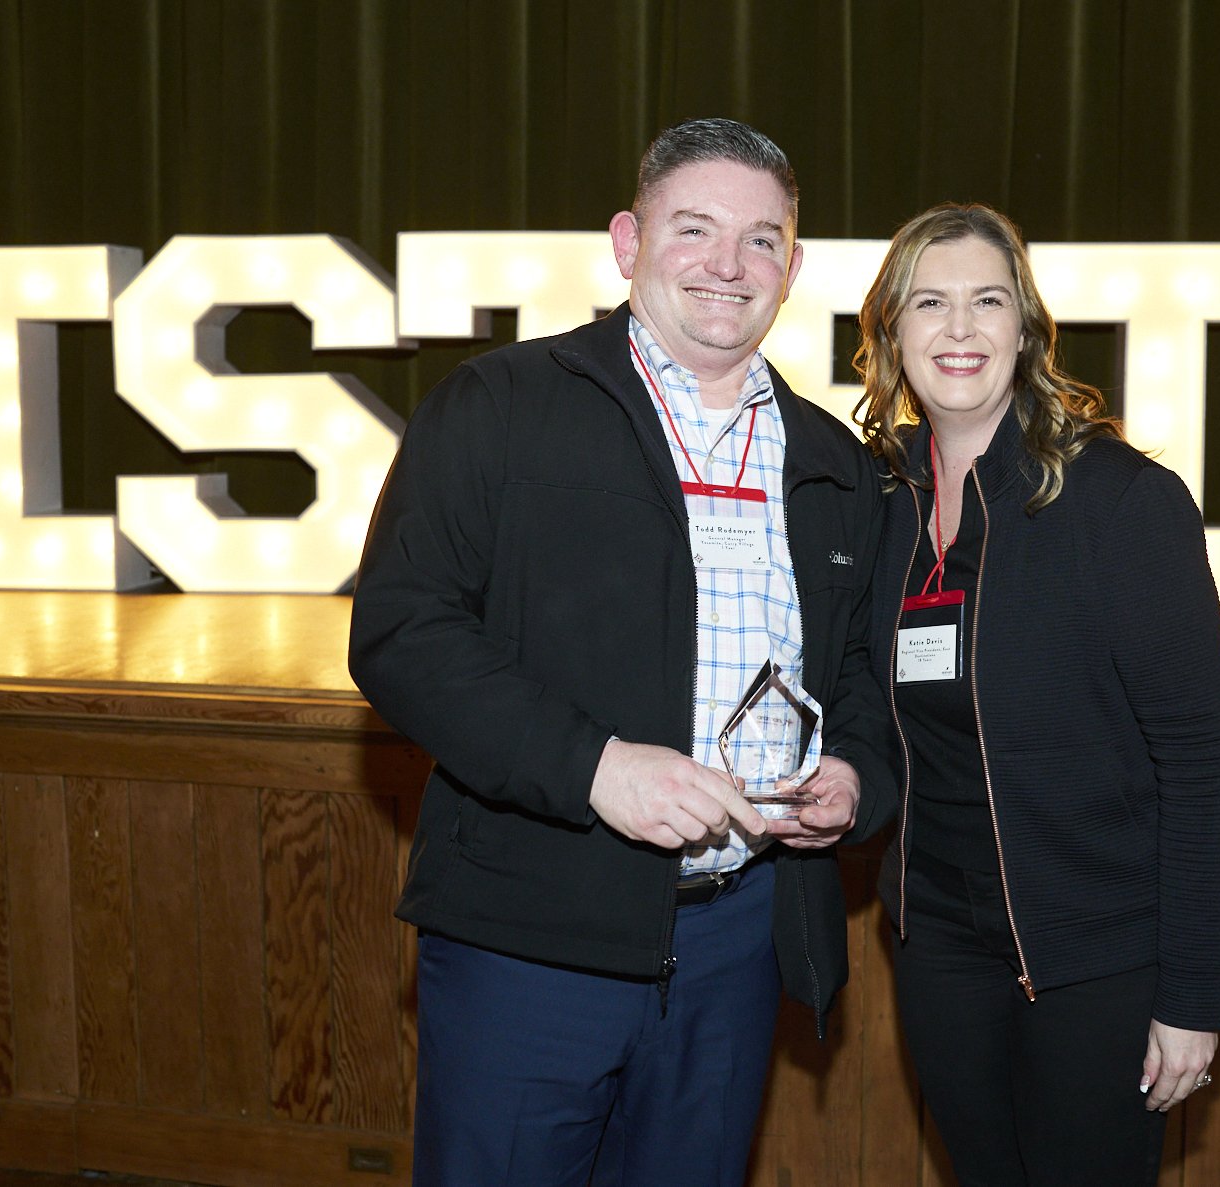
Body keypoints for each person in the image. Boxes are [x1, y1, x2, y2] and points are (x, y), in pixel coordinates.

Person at [348, 119, 896, 1187]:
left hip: (736, 948)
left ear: (793, 269)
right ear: (627, 243)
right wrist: (595, 766)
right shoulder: (500, 406)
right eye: (694, 229)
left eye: (762, 239)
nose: (728, 264)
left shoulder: (834, 462)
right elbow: (403, 631)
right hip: (530, 943)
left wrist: (857, 775)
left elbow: (862, 677)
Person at [853, 203, 1220, 1185]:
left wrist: (1194, 995)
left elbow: (1201, 760)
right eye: (929, 303)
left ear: (1026, 329)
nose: (959, 328)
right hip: (939, 947)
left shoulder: (1118, 501)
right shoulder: (878, 503)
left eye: (987, 301)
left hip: (1094, 958)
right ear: (890, 332)